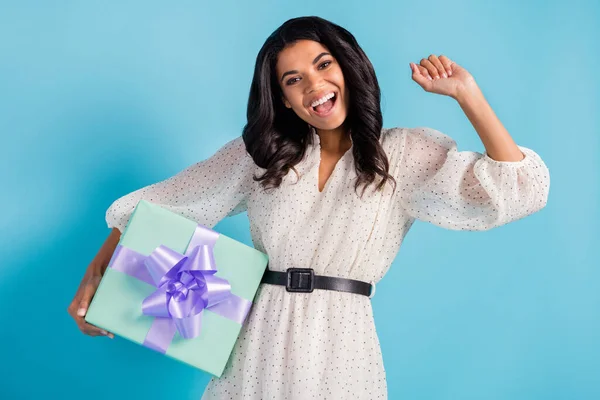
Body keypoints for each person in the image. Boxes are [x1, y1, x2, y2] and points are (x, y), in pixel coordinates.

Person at [67, 15, 550, 399]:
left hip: (344, 345)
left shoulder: (400, 154)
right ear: (284, 99)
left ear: (348, 66)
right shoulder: (261, 156)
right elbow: (165, 205)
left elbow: (517, 189)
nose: (313, 85)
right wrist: (96, 273)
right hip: (256, 340)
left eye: (323, 64)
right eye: (293, 79)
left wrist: (468, 94)